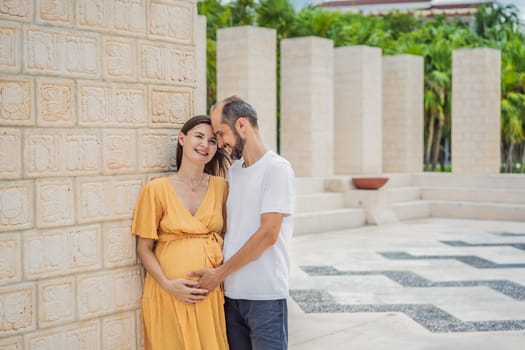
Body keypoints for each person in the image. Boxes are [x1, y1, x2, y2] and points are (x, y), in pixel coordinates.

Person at [190, 96, 296, 350]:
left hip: (265, 297)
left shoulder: (277, 169)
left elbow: (268, 234)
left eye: (221, 133)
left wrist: (219, 274)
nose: (221, 142)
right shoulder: (234, 172)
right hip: (232, 297)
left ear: (242, 125)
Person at [131, 115, 230, 350]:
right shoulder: (156, 189)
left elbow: (226, 236)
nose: (205, 144)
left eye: (212, 141)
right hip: (168, 292)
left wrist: (217, 274)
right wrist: (168, 284)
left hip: (208, 293)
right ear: (182, 139)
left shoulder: (221, 187)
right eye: (199, 136)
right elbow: (143, 248)